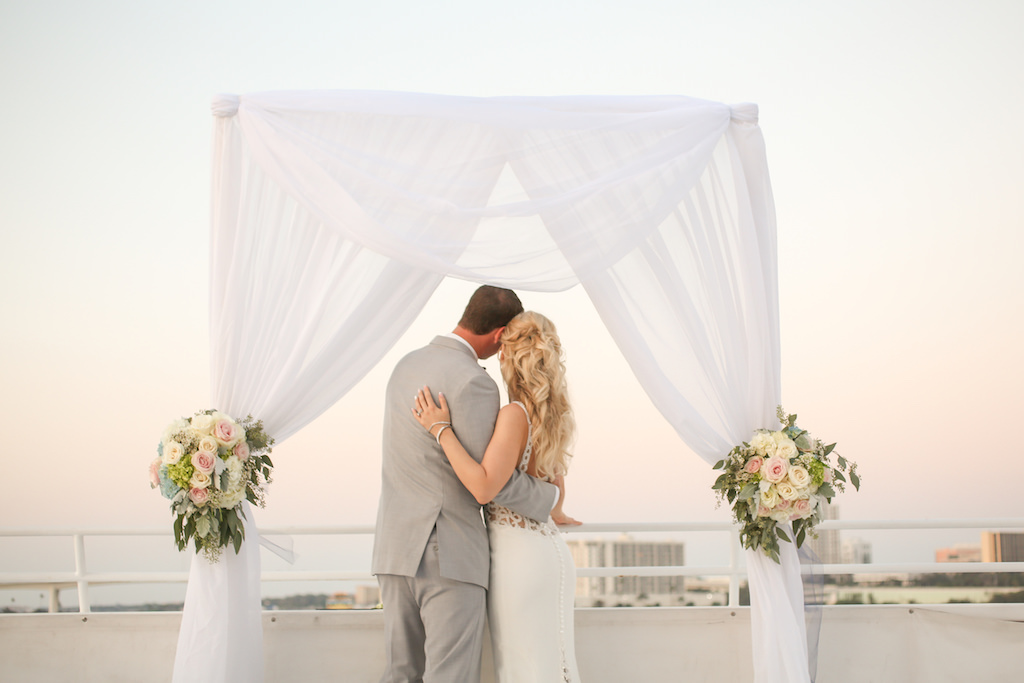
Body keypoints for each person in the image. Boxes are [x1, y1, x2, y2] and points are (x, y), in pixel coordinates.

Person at [372, 286, 560, 683]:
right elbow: (490, 481)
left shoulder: (405, 365)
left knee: (400, 674)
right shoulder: (475, 382)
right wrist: (549, 497)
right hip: (449, 554)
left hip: (393, 549)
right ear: (500, 334)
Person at [413, 310, 582, 682]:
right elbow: (557, 497)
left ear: (508, 355)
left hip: (517, 559)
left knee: (522, 669)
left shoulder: (514, 414)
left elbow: (484, 486)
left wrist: (441, 430)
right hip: (551, 554)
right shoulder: (554, 415)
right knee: (554, 665)